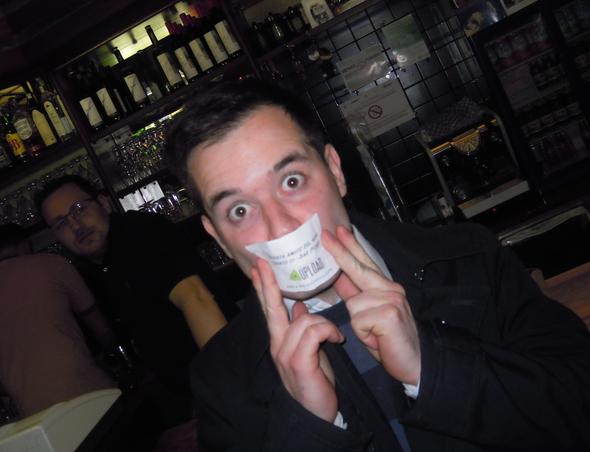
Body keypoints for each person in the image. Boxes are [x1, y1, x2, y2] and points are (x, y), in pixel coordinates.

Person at [163, 79, 590, 451]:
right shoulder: (219, 378)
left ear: (335, 171)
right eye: (240, 211)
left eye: (292, 181)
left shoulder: (470, 259)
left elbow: (578, 408)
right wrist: (308, 427)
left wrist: (431, 366)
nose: (281, 228)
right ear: (218, 236)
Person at [34, 175, 240, 409]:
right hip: (200, 395)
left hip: (232, 381)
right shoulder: (96, 271)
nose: (75, 226)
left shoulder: (140, 232)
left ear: (103, 203)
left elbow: (196, 298)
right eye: (61, 224)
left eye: (79, 209)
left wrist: (234, 386)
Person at [0, 224, 118, 418]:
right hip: (90, 393)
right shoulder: (54, 264)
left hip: (37, 416)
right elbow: (103, 331)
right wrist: (112, 358)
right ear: (26, 245)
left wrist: (24, 388)